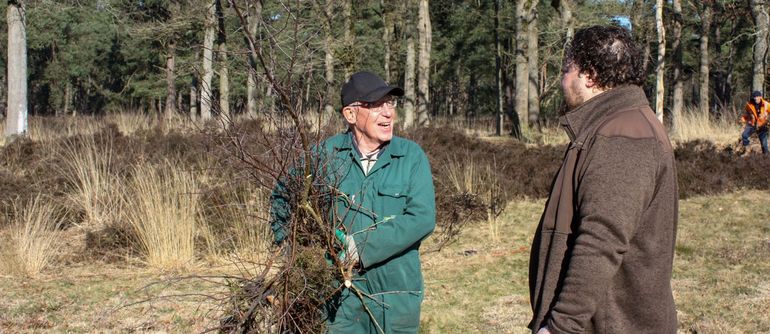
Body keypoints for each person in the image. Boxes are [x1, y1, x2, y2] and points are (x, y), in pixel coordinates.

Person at [528, 26, 678, 334]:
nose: (562, 81)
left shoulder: (621, 135)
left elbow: (601, 240)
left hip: (611, 325)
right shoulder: (616, 124)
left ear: (590, 76)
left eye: (566, 70)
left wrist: (561, 325)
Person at [270, 71, 436, 333]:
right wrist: (295, 253)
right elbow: (282, 197)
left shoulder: (410, 156)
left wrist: (361, 247)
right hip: (338, 299)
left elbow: (422, 218)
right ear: (350, 115)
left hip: (396, 296)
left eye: (389, 103)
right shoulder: (323, 156)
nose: (388, 113)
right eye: (375, 105)